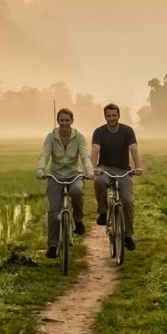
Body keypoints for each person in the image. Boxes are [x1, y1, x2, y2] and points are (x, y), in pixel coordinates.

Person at [35, 107, 93, 258]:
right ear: (58, 121)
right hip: (55, 176)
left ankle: (78, 220)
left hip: (74, 174)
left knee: (77, 191)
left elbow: (85, 156)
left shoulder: (79, 137)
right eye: (62, 120)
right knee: (54, 212)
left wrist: (89, 170)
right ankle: (53, 246)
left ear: (72, 121)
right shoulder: (51, 137)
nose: (64, 123)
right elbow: (45, 155)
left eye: (67, 120)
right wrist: (41, 169)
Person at [91, 103, 144, 251]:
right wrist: (92, 168)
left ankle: (127, 236)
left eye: (114, 115)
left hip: (123, 170)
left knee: (127, 201)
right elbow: (95, 149)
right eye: (109, 115)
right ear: (105, 116)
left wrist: (138, 166)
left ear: (119, 116)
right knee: (100, 181)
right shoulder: (99, 132)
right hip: (105, 168)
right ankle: (102, 212)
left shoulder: (127, 131)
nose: (112, 118)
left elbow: (133, 148)